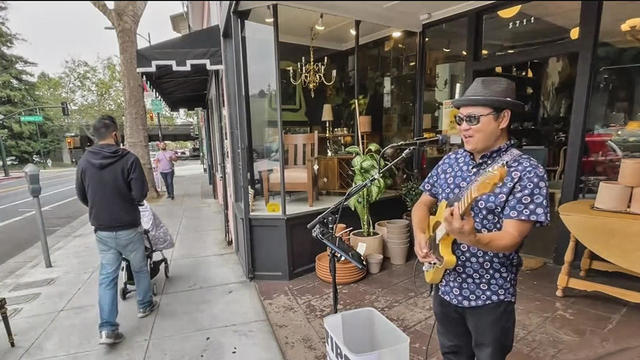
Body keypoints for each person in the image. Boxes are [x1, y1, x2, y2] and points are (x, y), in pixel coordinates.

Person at [412, 77, 550, 360]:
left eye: (473, 119)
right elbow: (421, 205)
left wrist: (471, 237)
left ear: (503, 119)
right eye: (459, 119)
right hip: (446, 283)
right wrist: (421, 236)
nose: (463, 126)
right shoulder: (451, 161)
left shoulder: (525, 171)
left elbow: (511, 238)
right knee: (452, 354)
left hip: (490, 295)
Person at [76, 115, 158, 345]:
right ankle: (144, 305)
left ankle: (107, 329)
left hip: (102, 230)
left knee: (107, 277)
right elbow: (140, 194)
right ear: (114, 134)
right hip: (128, 226)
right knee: (139, 267)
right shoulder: (128, 159)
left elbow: (83, 196)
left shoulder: (84, 162)